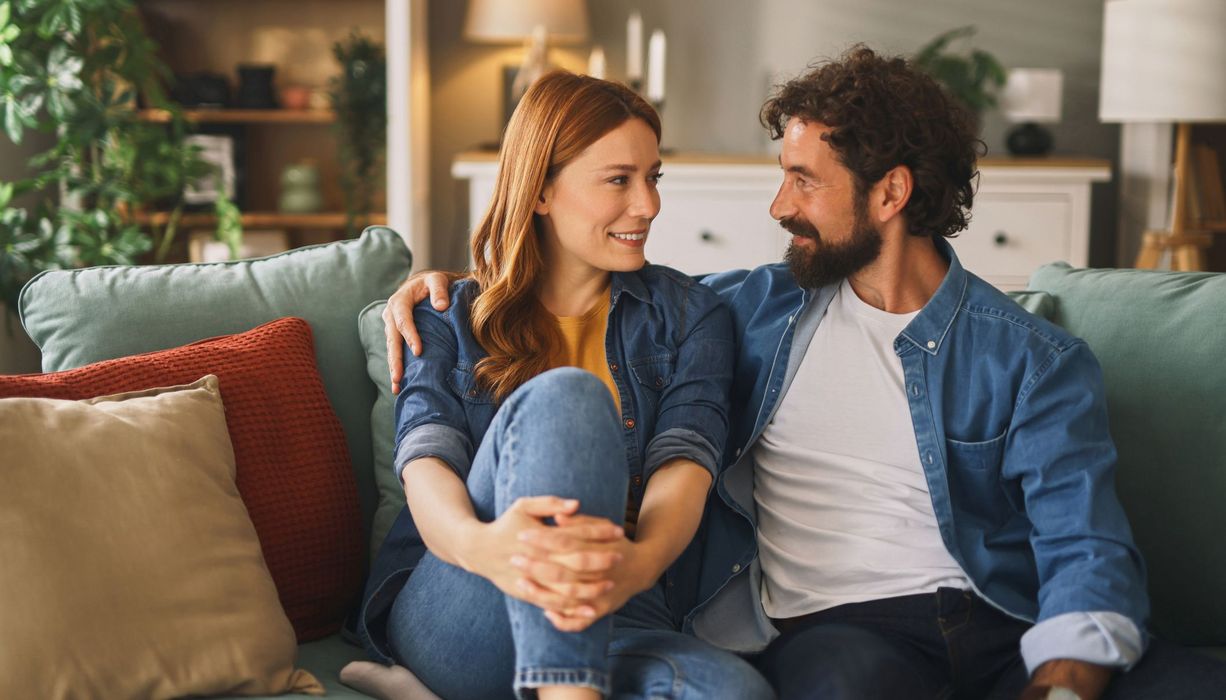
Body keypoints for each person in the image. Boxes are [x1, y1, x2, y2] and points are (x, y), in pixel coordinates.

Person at [386, 48, 1226, 700]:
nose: (777, 207)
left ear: (890, 193)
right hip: (831, 635)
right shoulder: (750, 311)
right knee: (839, 684)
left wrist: (1064, 683)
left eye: (801, 180)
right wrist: (446, 289)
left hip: (1000, 624)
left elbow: (1085, 548)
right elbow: (540, 321)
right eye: (621, 179)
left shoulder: (1031, 359)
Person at [355, 70, 774, 700]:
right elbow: (426, 469)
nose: (649, 205)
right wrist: (487, 548)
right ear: (543, 190)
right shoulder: (447, 318)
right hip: (470, 596)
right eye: (618, 180)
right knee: (569, 398)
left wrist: (636, 564)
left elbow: (683, 471)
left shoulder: (693, 317)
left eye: (653, 177)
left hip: (621, 607)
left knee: (739, 694)